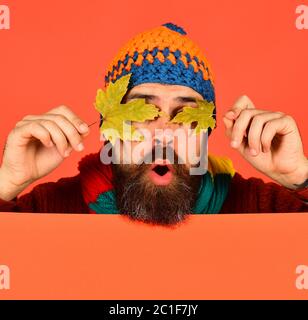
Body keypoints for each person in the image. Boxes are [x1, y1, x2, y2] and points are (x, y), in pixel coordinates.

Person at [0, 23, 307, 225]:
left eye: (185, 114)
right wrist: (7, 182)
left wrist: (300, 177)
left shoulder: (258, 208)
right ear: (109, 128)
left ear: (206, 131)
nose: (163, 132)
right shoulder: (51, 210)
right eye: (142, 111)